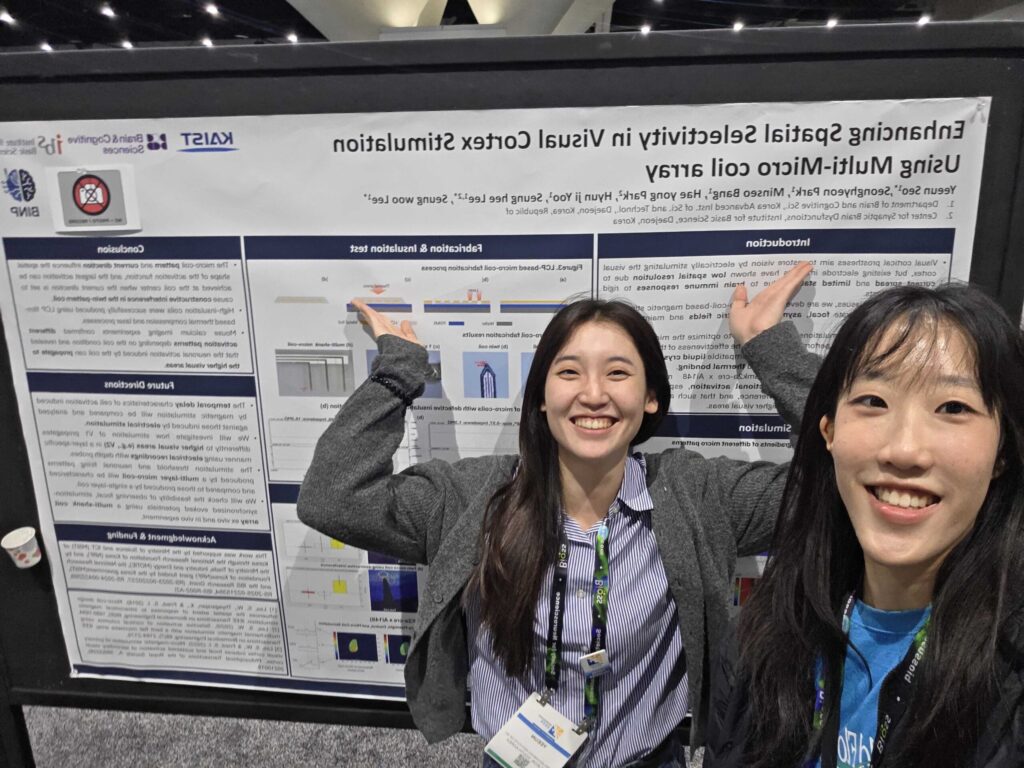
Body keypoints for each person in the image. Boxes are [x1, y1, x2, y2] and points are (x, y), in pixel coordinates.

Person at [296, 263, 815, 767]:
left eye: (618, 373)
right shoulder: (475, 497)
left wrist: (769, 348)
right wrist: (398, 372)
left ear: (651, 398)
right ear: (542, 398)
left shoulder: (696, 496)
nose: (593, 394)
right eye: (569, 372)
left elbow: (836, 486)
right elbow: (333, 498)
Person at [704, 284, 1024, 768]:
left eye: (953, 408)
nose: (904, 450)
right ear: (829, 432)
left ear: (1002, 452)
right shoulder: (762, 637)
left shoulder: (1010, 669)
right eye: (874, 401)